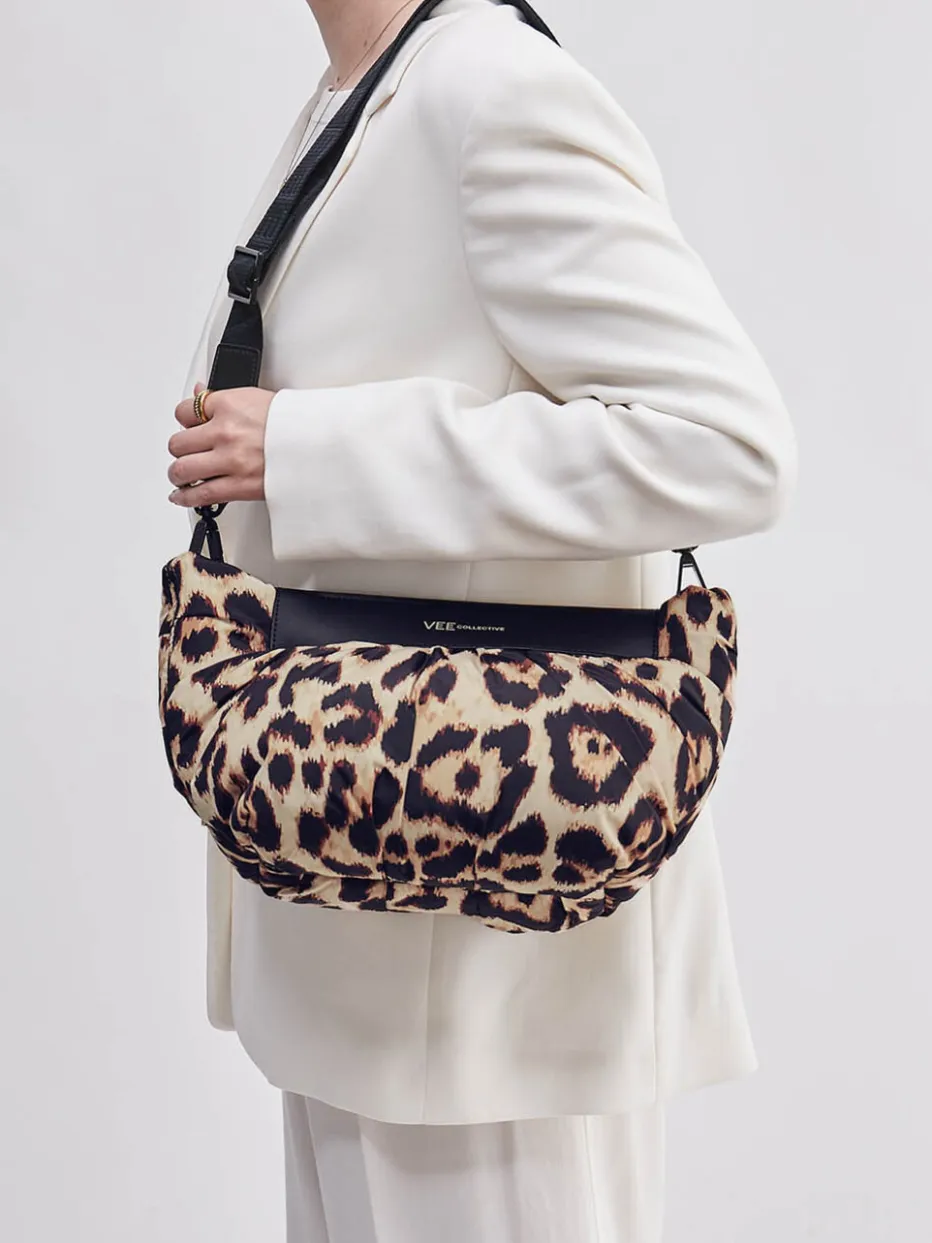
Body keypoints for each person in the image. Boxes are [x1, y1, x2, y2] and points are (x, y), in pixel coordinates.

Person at [166, 1, 797, 1239]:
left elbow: (725, 445)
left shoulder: (491, 94)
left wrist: (311, 449)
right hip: (355, 920)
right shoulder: (364, 93)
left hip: (485, 976)